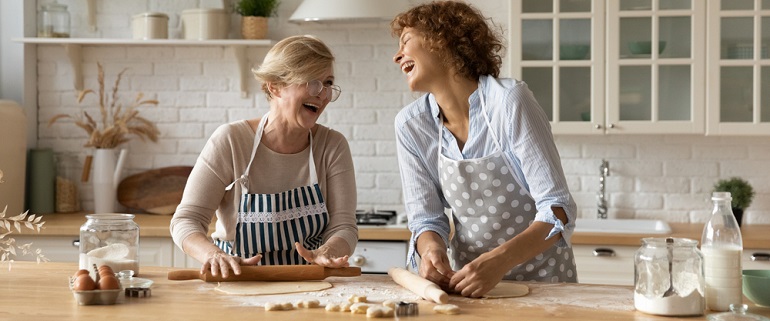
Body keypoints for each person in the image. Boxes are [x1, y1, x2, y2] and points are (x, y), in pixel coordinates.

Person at [391, 1, 578, 298]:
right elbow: (427, 220)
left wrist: (501, 260)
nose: (397, 56)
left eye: (406, 41)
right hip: (472, 290)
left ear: (444, 41)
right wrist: (432, 250)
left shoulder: (509, 102)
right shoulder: (412, 125)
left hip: (545, 287)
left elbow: (558, 209)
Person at [170, 35, 358, 278]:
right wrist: (213, 255)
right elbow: (186, 220)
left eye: (328, 83)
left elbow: (344, 226)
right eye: (312, 82)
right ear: (275, 86)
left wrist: (328, 251)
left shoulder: (332, 146)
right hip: (239, 282)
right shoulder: (231, 141)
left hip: (310, 285)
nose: (323, 95)